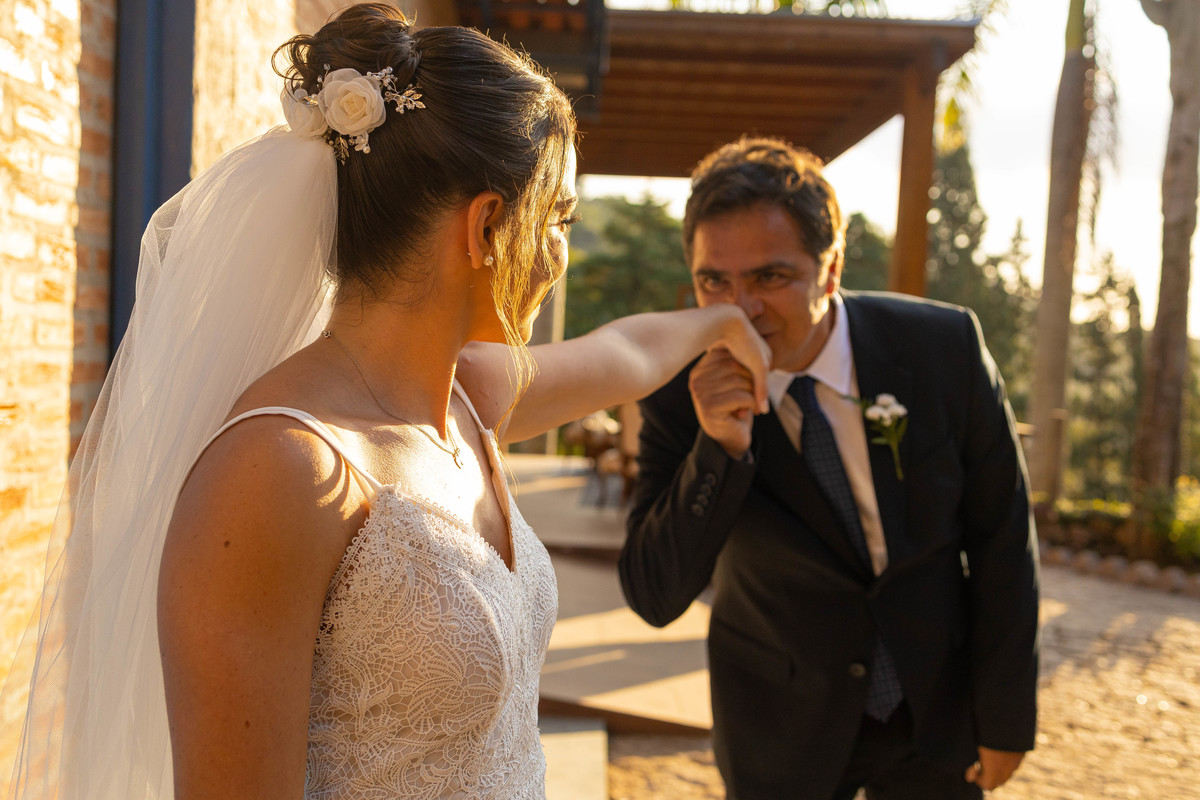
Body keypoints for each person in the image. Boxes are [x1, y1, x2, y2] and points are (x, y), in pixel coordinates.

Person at [3, 6, 771, 799]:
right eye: (560, 218)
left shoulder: (466, 397)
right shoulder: (278, 471)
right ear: (488, 226)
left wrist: (722, 323)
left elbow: (625, 355)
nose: (560, 252)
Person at [619, 137, 1039, 800]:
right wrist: (718, 449)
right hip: (780, 732)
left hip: (934, 714)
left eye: (770, 278)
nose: (740, 309)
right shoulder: (677, 393)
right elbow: (654, 594)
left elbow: (1003, 541)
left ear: (832, 267)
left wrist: (1006, 717)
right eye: (714, 281)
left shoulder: (944, 348)